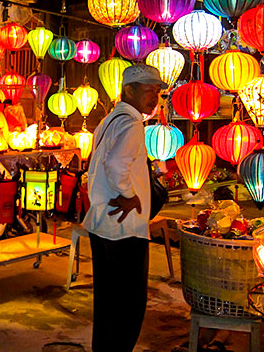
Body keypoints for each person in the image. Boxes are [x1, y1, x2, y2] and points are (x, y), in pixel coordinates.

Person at [83, 64, 166, 352]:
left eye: (156, 92)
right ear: (128, 90)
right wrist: (129, 195)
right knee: (128, 307)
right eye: (148, 91)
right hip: (124, 230)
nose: (154, 98)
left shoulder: (109, 120)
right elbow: (116, 164)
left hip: (103, 223)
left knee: (107, 305)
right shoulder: (131, 124)